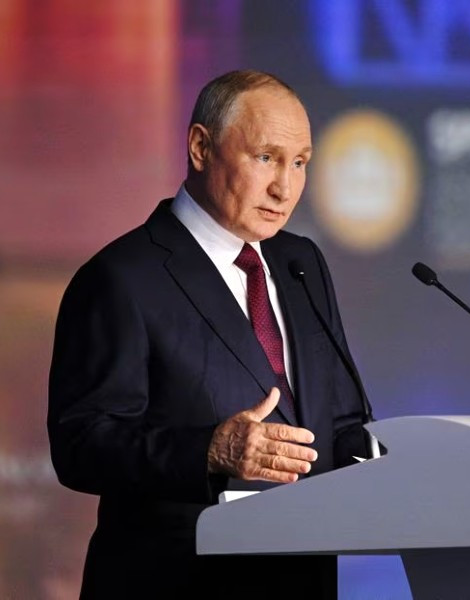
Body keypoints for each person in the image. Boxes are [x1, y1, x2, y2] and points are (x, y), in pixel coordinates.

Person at [48, 70, 372, 598]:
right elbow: (81, 445)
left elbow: (339, 418)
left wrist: (403, 457)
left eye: (299, 163)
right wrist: (209, 452)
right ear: (201, 147)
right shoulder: (122, 277)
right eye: (265, 157)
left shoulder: (300, 263)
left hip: (300, 579)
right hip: (176, 582)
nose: (284, 187)